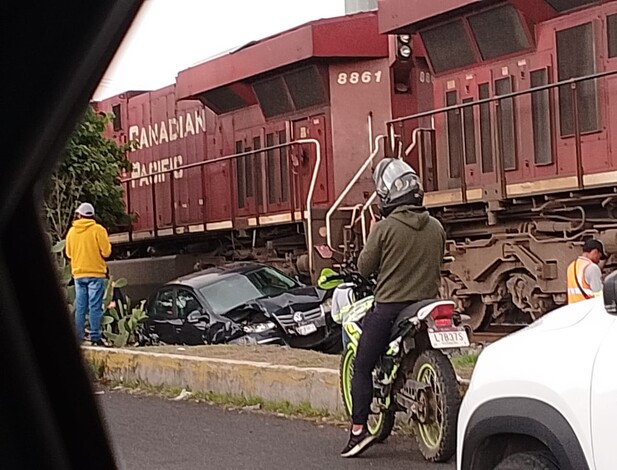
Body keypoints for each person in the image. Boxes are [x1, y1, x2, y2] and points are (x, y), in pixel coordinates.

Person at [341, 158, 445, 458]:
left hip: (390, 309)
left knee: (361, 366)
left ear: (386, 195)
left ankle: (358, 431)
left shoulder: (384, 228)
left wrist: (371, 233)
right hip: (428, 305)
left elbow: (364, 267)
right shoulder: (436, 226)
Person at [65, 202, 112, 345]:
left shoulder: (71, 232)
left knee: (80, 307)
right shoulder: (98, 230)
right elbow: (107, 252)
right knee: (94, 306)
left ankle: (79, 337)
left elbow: (68, 253)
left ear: (79, 215)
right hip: (96, 274)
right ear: (92, 215)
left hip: (78, 274)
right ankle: (95, 337)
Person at [566, 239, 607, 304]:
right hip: (588, 309)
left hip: (573, 309)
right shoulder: (592, 267)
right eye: (599, 256)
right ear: (595, 252)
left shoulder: (571, 266)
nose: (599, 260)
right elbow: (599, 295)